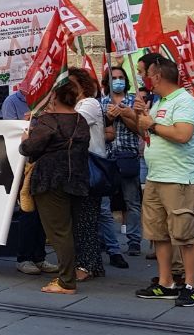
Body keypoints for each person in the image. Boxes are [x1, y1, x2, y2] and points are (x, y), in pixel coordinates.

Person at [135, 59, 194, 308]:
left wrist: (151, 123)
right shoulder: (161, 102)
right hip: (156, 176)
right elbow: (148, 132)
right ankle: (166, 282)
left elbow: (182, 135)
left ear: (157, 76)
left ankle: (190, 284)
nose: (144, 79)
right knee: (159, 234)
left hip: (178, 179)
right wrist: (139, 116)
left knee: (184, 234)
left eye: (147, 75)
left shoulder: (184, 101)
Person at [20, 76, 89, 295]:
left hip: (51, 180)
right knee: (68, 229)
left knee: (59, 232)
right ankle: (66, 273)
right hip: (76, 179)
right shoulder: (80, 120)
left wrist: (25, 139)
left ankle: (67, 281)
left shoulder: (49, 120)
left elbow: (30, 148)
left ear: (55, 96)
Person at [0, 88, 59, 276]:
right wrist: (31, 128)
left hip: (44, 163)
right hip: (24, 165)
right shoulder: (12, 102)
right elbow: (11, 132)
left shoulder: (47, 99)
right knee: (27, 212)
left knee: (42, 213)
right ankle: (24, 257)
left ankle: (39, 257)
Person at [72, 68, 112, 280]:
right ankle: (93, 263)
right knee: (79, 218)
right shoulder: (75, 105)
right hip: (77, 168)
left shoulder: (89, 103)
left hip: (89, 167)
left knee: (85, 218)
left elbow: (72, 124)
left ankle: (85, 266)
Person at [101, 64, 144, 260]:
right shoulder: (101, 102)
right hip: (107, 157)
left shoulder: (134, 101)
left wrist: (125, 115)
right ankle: (107, 240)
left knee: (132, 201)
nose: (117, 80)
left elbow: (141, 129)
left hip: (128, 155)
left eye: (120, 77)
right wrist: (108, 119)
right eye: (113, 77)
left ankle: (134, 240)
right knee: (105, 202)